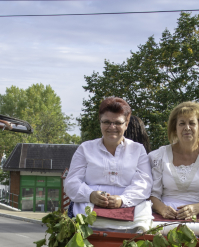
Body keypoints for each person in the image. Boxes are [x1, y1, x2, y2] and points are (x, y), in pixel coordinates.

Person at [64, 97, 153, 232]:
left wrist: (122, 199)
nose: (112, 127)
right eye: (106, 122)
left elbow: (144, 183)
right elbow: (71, 183)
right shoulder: (85, 148)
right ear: (100, 122)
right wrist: (90, 194)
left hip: (129, 210)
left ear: (126, 123)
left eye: (117, 122)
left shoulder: (138, 150)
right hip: (88, 210)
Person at [149, 102, 199, 235]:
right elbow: (150, 194)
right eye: (181, 123)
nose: (187, 128)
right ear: (175, 128)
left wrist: (196, 208)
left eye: (192, 123)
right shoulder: (158, 156)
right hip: (163, 217)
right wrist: (162, 209)